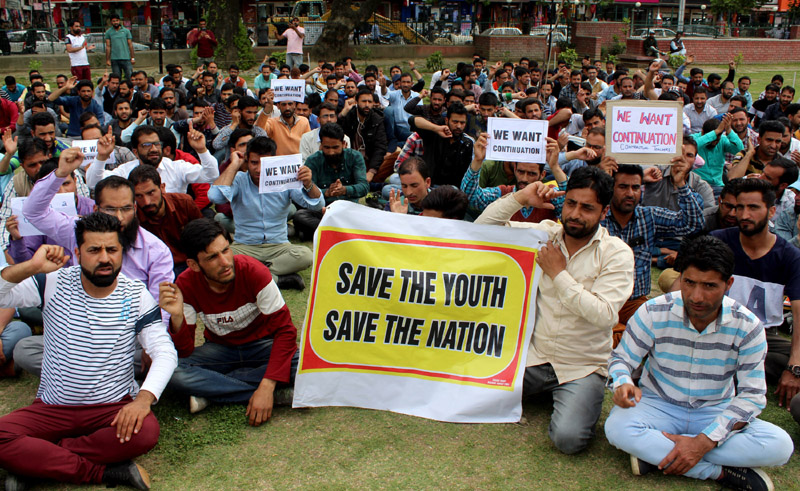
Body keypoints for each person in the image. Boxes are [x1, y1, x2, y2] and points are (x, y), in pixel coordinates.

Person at [0, 215, 178, 490]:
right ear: (78, 253)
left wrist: (143, 400)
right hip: (53, 407)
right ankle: (105, 474)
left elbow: (164, 350)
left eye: (112, 250)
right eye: (94, 250)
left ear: (122, 252)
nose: (104, 258)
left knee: (146, 433)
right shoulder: (52, 283)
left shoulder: (136, 293)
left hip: (110, 408)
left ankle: (36, 460)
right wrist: (32, 267)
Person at [604, 235, 793, 490]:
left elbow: (752, 396)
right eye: (689, 282)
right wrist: (623, 383)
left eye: (709, 286)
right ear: (680, 277)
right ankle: (718, 473)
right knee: (617, 427)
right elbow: (621, 359)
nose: (696, 296)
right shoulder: (653, 311)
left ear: (729, 284)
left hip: (715, 410)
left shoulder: (748, 326)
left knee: (780, 446)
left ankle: (658, 453)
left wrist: (704, 442)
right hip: (659, 404)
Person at [476, 167, 634, 454]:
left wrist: (558, 274)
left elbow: (604, 315)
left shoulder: (616, 253)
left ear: (604, 211)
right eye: (571, 203)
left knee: (568, 440)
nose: (575, 214)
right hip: (533, 357)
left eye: (587, 208)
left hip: (582, 366)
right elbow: (482, 229)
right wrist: (519, 198)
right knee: (470, 392)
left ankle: (567, 397)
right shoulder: (544, 234)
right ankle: (541, 392)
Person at [159, 218, 298, 420]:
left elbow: (285, 332)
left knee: (305, 363)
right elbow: (185, 350)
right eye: (212, 257)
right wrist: (177, 317)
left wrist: (267, 385)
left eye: (225, 250)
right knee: (170, 370)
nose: (225, 262)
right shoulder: (186, 284)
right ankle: (274, 395)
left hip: (262, 345)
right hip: (220, 350)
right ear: (194, 265)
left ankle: (214, 391)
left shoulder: (254, 271)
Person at [710, 178, 800, 413]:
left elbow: (799, 314)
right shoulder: (718, 241)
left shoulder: (789, 256)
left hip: (764, 334)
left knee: (791, 358)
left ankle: (743, 369)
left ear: (771, 211)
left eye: (753, 208)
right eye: (739, 207)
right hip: (715, 329)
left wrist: (794, 367)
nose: (743, 214)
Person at [602, 162, 704, 345]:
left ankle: (620, 334)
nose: (630, 193)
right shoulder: (598, 216)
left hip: (633, 301)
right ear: (611, 188)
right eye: (623, 187)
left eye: (635, 187)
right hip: (600, 299)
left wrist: (680, 184)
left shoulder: (649, 216)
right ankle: (622, 335)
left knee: (662, 331)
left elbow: (692, 224)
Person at [208, 136, 323, 290]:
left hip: (279, 245)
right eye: (254, 162)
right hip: (245, 246)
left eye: (264, 163)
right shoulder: (239, 179)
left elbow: (316, 205)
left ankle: (256, 274)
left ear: (274, 161)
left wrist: (309, 184)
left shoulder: (284, 179)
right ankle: (277, 279)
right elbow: (215, 197)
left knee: (306, 255)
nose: (259, 169)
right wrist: (234, 165)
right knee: (222, 262)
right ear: (247, 160)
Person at [87, 125, 219, 194]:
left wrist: (202, 150)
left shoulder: (176, 167)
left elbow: (211, 175)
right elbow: (93, 183)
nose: (154, 149)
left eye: (156, 144)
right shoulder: (125, 171)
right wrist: (102, 157)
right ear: (135, 151)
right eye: (146, 145)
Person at [294, 123, 368, 240]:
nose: (331, 152)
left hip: (348, 208)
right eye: (326, 147)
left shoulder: (355, 157)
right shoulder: (313, 160)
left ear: (344, 144)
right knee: (300, 216)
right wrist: (326, 193)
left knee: (370, 215)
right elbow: (307, 194)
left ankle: (326, 231)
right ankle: (344, 232)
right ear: (320, 146)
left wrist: (344, 190)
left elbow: (364, 187)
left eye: (335, 147)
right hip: (323, 211)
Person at [129, 165, 201, 278]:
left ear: (162, 188)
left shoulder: (184, 203)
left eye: (151, 193)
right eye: (139, 196)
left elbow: (204, 238)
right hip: (153, 270)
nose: (146, 202)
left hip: (189, 264)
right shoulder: (132, 217)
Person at [408, 103, 474, 187]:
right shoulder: (434, 133)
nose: (459, 126)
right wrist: (436, 129)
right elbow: (412, 120)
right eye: (455, 122)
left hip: (452, 189)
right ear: (447, 120)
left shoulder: (466, 143)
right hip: (429, 184)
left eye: (462, 123)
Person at [339, 88, 388, 183]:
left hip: (370, 161)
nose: (367, 105)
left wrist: (371, 171)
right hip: (351, 160)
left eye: (369, 102)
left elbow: (380, 147)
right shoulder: (350, 115)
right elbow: (335, 132)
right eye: (363, 101)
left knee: (393, 156)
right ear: (356, 102)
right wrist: (344, 112)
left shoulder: (377, 120)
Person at [105, 14, 135, 81]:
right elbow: (108, 46)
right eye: (113, 21)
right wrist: (107, 59)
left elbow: (130, 45)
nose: (115, 22)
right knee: (116, 78)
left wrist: (132, 57)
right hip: (114, 59)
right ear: (111, 22)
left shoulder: (126, 31)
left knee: (129, 76)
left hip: (126, 58)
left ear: (119, 21)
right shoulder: (108, 32)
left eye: (117, 20)